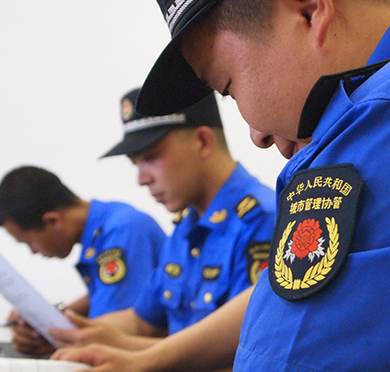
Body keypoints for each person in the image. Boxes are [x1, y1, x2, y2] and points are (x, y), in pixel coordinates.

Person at [49, 0, 390, 372]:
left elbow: (287, 365)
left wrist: (145, 367)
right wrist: (120, 350)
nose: (260, 135)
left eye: (230, 85)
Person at [46, 89, 276, 352]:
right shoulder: (186, 227)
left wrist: (131, 354)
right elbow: (141, 321)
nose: (142, 179)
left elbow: (250, 351)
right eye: (136, 164)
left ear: (203, 142)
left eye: (150, 157)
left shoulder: (263, 220)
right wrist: (62, 333)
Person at [0, 165, 167, 355]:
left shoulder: (122, 231)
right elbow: (109, 294)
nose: (33, 252)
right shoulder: (111, 220)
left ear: (53, 221)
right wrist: (50, 317)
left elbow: (111, 330)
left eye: (29, 242)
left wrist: (49, 334)